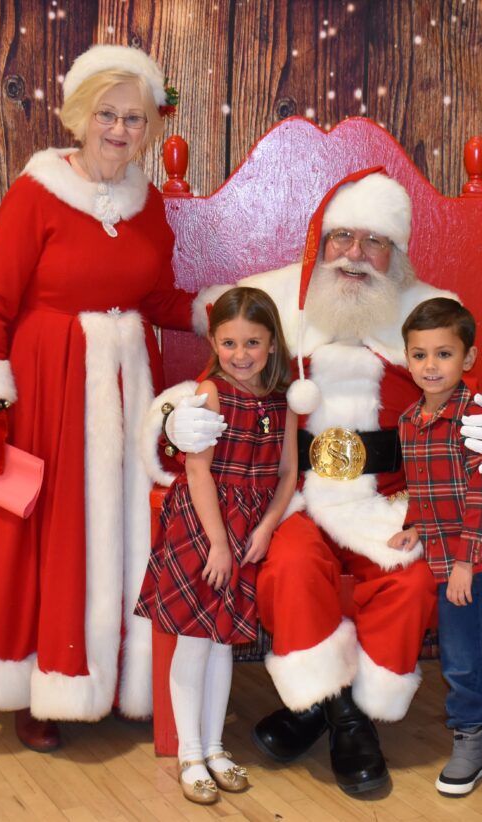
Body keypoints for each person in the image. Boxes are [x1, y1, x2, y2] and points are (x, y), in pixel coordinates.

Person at [146, 168, 482, 795]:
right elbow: (212, 381)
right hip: (295, 497)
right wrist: (174, 422)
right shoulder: (273, 305)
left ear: (398, 253)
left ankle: (322, 710)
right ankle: (347, 720)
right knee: (288, 569)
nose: (356, 255)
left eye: (374, 241)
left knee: (412, 577)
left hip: (391, 501)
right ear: (320, 243)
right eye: (343, 237)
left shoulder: (427, 318)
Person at [0, 44, 225, 753]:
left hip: (125, 390)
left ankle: (117, 672)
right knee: (45, 537)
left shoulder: (149, 204)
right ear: (81, 115)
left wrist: (221, 315)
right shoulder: (36, 192)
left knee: (120, 532)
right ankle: (38, 684)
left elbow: (153, 296)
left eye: (134, 118)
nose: (120, 130)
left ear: (148, 127)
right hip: (46, 387)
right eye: (108, 114)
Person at [135, 288, 298, 805]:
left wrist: (268, 526)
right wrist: (219, 543)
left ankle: (215, 746)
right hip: (203, 529)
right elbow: (198, 470)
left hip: (249, 530)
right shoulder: (211, 392)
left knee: (224, 639)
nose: (241, 354)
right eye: (230, 343)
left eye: (253, 342)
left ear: (272, 343)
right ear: (214, 341)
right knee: (196, 639)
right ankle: (190, 753)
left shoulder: (284, 400)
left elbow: (289, 473)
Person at [388, 298, 482, 804]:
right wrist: (415, 524)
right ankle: (469, 740)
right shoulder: (409, 422)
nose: (431, 366)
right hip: (449, 565)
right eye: (420, 354)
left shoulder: (478, 419)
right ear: (406, 360)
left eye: (444, 354)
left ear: (468, 359)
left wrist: (465, 563)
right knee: (460, 662)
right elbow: (425, 485)